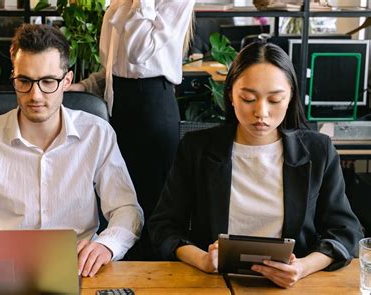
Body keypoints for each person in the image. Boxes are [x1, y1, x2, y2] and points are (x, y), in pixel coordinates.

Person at [0, 24, 144, 278]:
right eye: (24, 81)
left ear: (67, 81)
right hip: (0, 271)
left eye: (48, 81)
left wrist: (107, 245)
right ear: (14, 78)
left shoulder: (97, 134)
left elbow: (126, 209)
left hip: (77, 268)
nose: (35, 95)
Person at [148, 42, 363, 288]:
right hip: (212, 285)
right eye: (248, 98)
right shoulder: (197, 148)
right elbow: (163, 227)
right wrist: (203, 260)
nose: (261, 112)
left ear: (291, 95)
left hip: (292, 287)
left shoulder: (318, 151)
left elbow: (346, 232)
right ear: (230, 94)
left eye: (275, 99)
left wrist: (302, 267)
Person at [69, 0, 195, 260]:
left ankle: (152, 283)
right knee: (120, 203)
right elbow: (116, 65)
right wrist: (87, 85)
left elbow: (139, 53)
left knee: (151, 210)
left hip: (151, 109)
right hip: (119, 110)